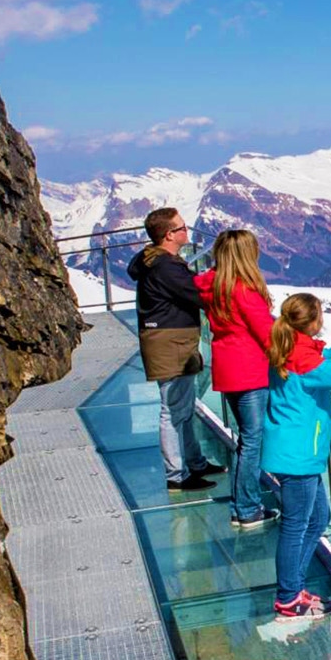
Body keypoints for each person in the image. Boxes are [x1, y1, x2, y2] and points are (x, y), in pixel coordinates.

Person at [262, 293, 331, 620]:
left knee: (317, 518)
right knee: (296, 525)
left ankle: (294, 586)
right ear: (312, 321)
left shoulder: (292, 347)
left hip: (296, 452)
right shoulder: (303, 359)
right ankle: (288, 597)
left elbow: (325, 355)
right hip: (298, 455)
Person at [128, 207, 224, 492]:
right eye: (182, 228)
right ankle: (177, 475)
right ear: (169, 235)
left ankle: (194, 463)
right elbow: (197, 295)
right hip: (172, 342)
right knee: (172, 410)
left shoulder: (151, 259)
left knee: (183, 405)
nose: (187, 232)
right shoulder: (167, 266)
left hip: (168, 339)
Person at [195, 229, 279, 531]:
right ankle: (247, 508)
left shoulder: (210, 285)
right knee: (252, 442)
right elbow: (267, 334)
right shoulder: (243, 290)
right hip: (250, 371)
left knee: (246, 439)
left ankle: (244, 504)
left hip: (226, 370)